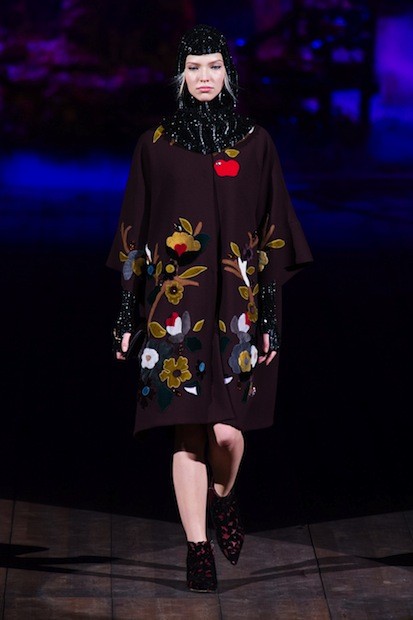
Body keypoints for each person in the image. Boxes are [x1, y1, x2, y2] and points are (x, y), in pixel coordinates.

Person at [107, 24, 312, 593]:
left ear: (228, 72)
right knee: (186, 434)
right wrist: (126, 315)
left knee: (226, 434)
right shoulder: (155, 145)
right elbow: (133, 233)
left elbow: (273, 235)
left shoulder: (255, 143)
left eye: (213, 66)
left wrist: (269, 318)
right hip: (174, 313)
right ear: (180, 74)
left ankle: (224, 496)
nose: (204, 77)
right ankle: (197, 550)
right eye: (194, 68)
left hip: (235, 314)